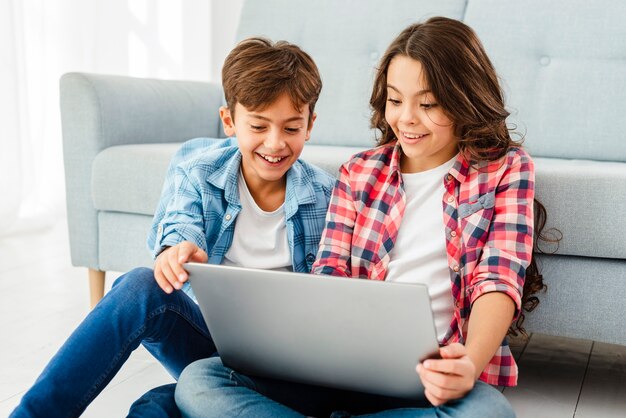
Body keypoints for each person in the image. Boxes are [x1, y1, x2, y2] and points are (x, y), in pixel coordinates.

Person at [175, 17, 549, 417]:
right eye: (394, 100)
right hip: (342, 370)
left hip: (434, 377)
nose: (406, 118)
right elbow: (330, 273)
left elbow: (498, 278)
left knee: (489, 413)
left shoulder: (506, 170)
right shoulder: (360, 171)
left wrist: (469, 364)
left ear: (464, 99)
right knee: (201, 380)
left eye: (427, 104)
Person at [10, 37, 334, 418]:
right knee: (138, 286)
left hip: (292, 368)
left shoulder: (328, 195)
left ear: (310, 125)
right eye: (259, 126)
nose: (275, 143)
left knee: (155, 407)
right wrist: (177, 250)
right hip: (212, 349)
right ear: (229, 121)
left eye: (291, 128)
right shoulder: (198, 168)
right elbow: (179, 223)